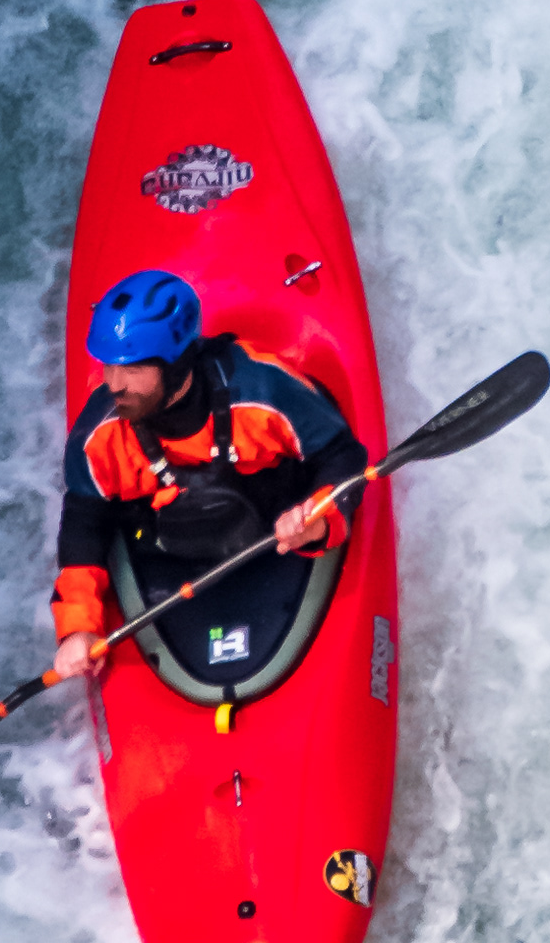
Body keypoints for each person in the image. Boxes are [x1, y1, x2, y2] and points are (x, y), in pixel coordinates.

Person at [45, 268, 367, 690]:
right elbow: (84, 525)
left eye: (133, 368)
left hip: (277, 540)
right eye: (109, 365)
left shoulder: (265, 392)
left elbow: (342, 455)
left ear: (177, 364)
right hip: (172, 557)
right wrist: (78, 628)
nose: (114, 384)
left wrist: (320, 518)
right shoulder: (98, 438)